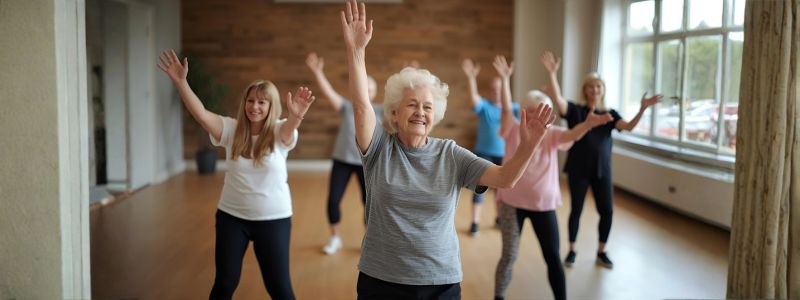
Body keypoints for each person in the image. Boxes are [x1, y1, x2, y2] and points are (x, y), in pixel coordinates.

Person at [340, 1, 556, 298]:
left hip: (439, 282)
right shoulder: (379, 149)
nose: (420, 112)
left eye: (427, 106)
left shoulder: (450, 154)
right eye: (412, 104)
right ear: (393, 113)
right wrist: (356, 51)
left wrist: (529, 146)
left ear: (436, 114)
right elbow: (362, 107)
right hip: (382, 279)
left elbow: (506, 179)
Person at [157, 49, 315, 300]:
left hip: (273, 218)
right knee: (224, 283)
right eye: (250, 100)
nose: (254, 107)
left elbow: (289, 131)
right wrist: (181, 82)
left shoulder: (279, 131)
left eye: (262, 102)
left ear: (271, 106)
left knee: (279, 289)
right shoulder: (231, 129)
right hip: (232, 217)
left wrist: (296, 116)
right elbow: (201, 114)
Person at [490, 56, 612, 300]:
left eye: (544, 113)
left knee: (553, 257)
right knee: (509, 256)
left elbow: (571, 135)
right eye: (534, 112)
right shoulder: (513, 129)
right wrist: (505, 80)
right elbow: (505, 109)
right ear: (524, 112)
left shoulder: (552, 134)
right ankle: (498, 297)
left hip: (542, 205)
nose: (538, 117)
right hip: (512, 204)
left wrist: (587, 125)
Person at [540, 51, 662, 269]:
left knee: (607, 211)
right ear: (585, 90)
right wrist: (552, 74)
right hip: (578, 169)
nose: (594, 90)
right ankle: (572, 249)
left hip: (602, 170)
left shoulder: (610, 114)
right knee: (576, 210)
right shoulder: (577, 110)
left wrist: (643, 108)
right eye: (590, 86)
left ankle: (601, 251)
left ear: (602, 90)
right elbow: (558, 101)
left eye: (598, 86)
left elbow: (629, 127)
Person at [305, 52, 384, 255]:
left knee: (369, 204)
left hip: (367, 164)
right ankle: (335, 238)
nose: (367, 90)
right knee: (333, 200)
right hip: (342, 161)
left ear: (375, 92)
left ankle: (370, 241)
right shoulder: (347, 107)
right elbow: (328, 91)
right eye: (364, 86)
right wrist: (318, 72)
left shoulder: (381, 111)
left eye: (371, 88)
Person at [461, 58, 520, 236]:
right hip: (484, 154)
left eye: (499, 89)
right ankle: (475, 222)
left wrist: (505, 79)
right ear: (489, 92)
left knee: (501, 192)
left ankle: (499, 218)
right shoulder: (485, 107)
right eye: (493, 89)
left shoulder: (513, 109)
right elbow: (473, 101)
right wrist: (471, 78)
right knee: (480, 190)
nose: (496, 92)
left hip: (504, 156)